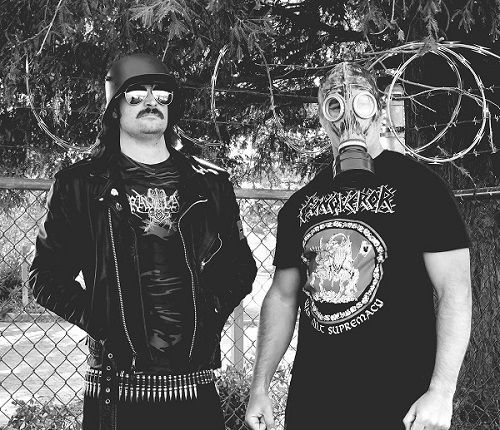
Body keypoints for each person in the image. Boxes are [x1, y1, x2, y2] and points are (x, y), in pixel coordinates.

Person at [29, 52, 257, 430]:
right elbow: (45, 277)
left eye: (161, 94)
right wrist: (105, 324)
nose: (151, 101)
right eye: (136, 95)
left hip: (194, 381)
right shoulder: (80, 186)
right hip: (117, 383)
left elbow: (240, 266)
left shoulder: (210, 185)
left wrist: (209, 313)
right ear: (114, 109)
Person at [245, 62, 472, 430]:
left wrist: (441, 391)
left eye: (361, 103)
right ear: (323, 117)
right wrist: (260, 388)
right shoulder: (300, 204)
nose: (349, 118)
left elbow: (455, 291)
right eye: (335, 105)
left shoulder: (423, 188)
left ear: (378, 111)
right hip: (315, 405)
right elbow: (283, 298)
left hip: (401, 406)